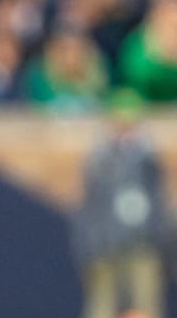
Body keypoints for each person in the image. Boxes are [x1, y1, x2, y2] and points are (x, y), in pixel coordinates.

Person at [71, 103, 170, 318]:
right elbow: (88, 208)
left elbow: (158, 204)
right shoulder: (98, 161)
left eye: (130, 125)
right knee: (101, 306)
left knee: (146, 305)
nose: (125, 131)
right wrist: (89, 248)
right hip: (105, 246)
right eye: (120, 125)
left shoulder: (148, 160)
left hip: (144, 242)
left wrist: (164, 245)